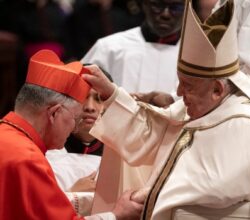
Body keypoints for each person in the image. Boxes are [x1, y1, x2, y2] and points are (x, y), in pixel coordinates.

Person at [83, 0, 250, 219]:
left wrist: (150, 195)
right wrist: (111, 94)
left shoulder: (245, 127)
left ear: (217, 90)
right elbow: (155, 135)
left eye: (187, 85)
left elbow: (215, 188)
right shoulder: (207, 105)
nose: (178, 92)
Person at [0, 49, 143, 220]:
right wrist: (117, 215)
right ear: (54, 114)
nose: (75, 126)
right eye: (75, 118)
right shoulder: (28, 159)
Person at [81, 0, 185, 97]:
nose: (165, 14)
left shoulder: (195, 57)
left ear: (188, 10)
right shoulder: (109, 48)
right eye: (157, 6)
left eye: (176, 7)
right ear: (144, 4)